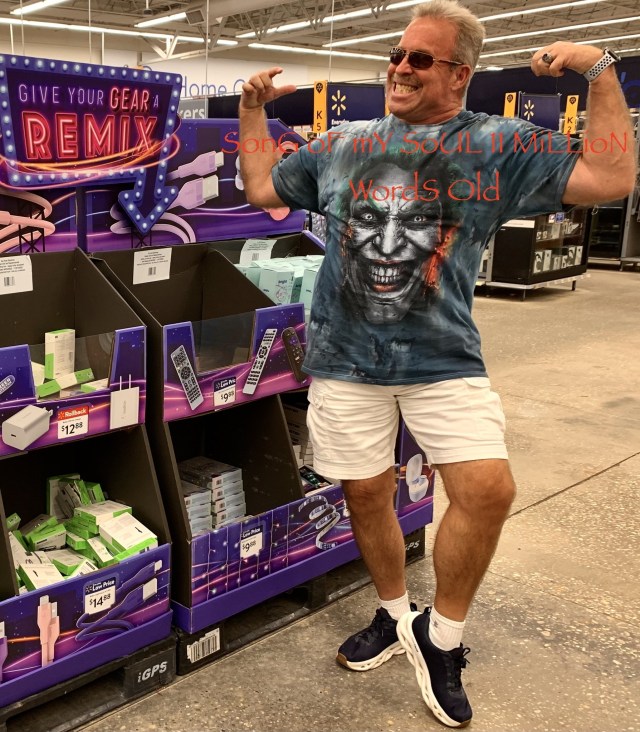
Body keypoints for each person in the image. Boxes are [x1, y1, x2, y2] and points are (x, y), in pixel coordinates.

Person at [238, 0, 636, 727]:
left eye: (419, 58)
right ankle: (395, 616)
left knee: (487, 490)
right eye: (396, 54)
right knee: (366, 495)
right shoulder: (344, 143)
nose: (399, 67)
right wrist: (252, 111)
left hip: (443, 356)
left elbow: (610, 176)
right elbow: (263, 189)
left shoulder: (498, 144)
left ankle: (441, 636)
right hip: (344, 358)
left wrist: (600, 69)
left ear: (460, 73)